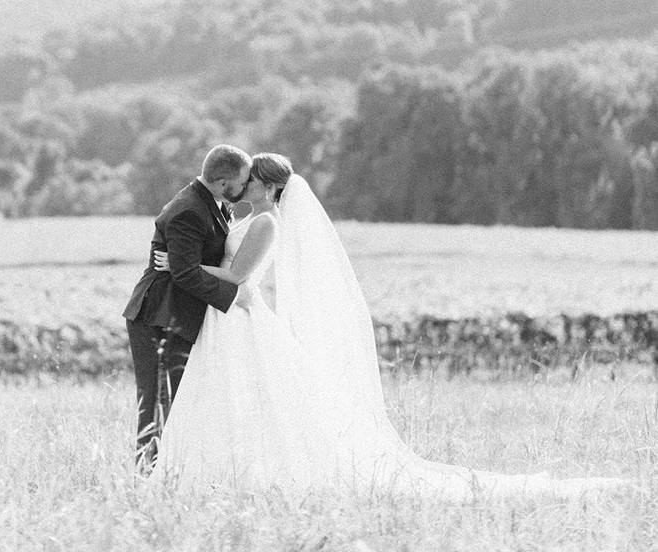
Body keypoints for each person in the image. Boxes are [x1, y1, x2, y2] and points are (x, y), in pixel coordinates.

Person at [149, 153, 629, 500]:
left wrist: (179, 265)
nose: (243, 185)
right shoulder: (244, 218)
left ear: (269, 188)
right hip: (229, 322)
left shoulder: (268, 223)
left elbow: (239, 279)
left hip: (244, 319)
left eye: (251, 180)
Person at [122, 144, 254, 466]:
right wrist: (234, 297)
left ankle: (171, 472)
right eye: (242, 181)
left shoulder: (212, 203)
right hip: (159, 316)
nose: (245, 187)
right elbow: (183, 273)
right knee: (157, 404)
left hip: (179, 314)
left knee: (176, 403)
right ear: (224, 183)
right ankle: (145, 477)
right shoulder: (189, 210)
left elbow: (188, 264)